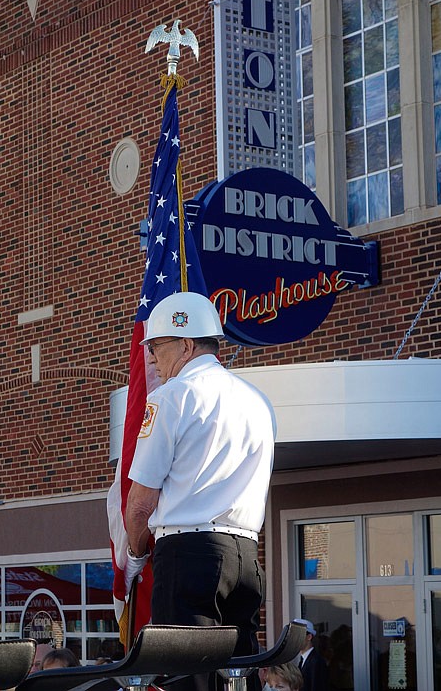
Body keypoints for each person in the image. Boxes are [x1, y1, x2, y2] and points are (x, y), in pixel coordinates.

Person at [125, 292, 277, 691]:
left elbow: (141, 501)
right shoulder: (258, 401)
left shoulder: (170, 398)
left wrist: (135, 555)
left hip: (188, 554)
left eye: (156, 346)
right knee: (238, 676)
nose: (153, 358)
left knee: (186, 677)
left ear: (186, 344)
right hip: (246, 556)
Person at [293, 619, 329, 691]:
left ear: (309, 637)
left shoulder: (316, 662)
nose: (295, 639)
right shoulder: (303, 660)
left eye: (298, 635)